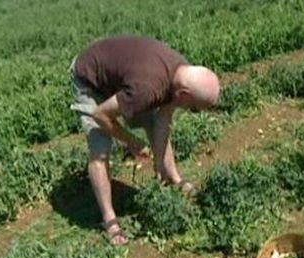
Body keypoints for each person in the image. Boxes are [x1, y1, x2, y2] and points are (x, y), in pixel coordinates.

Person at [70, 35, 220, 245]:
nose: (192, 111)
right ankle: (110, 220)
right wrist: (132, 142)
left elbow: (163, 119)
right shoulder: (146, 90)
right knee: (100, 147)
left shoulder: (181, 73)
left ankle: (173, 179)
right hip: (90, 78)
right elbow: (100, 115)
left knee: (150, 120)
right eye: (194, 108)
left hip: (126, 79)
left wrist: (160, 165)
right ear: (184, 94)